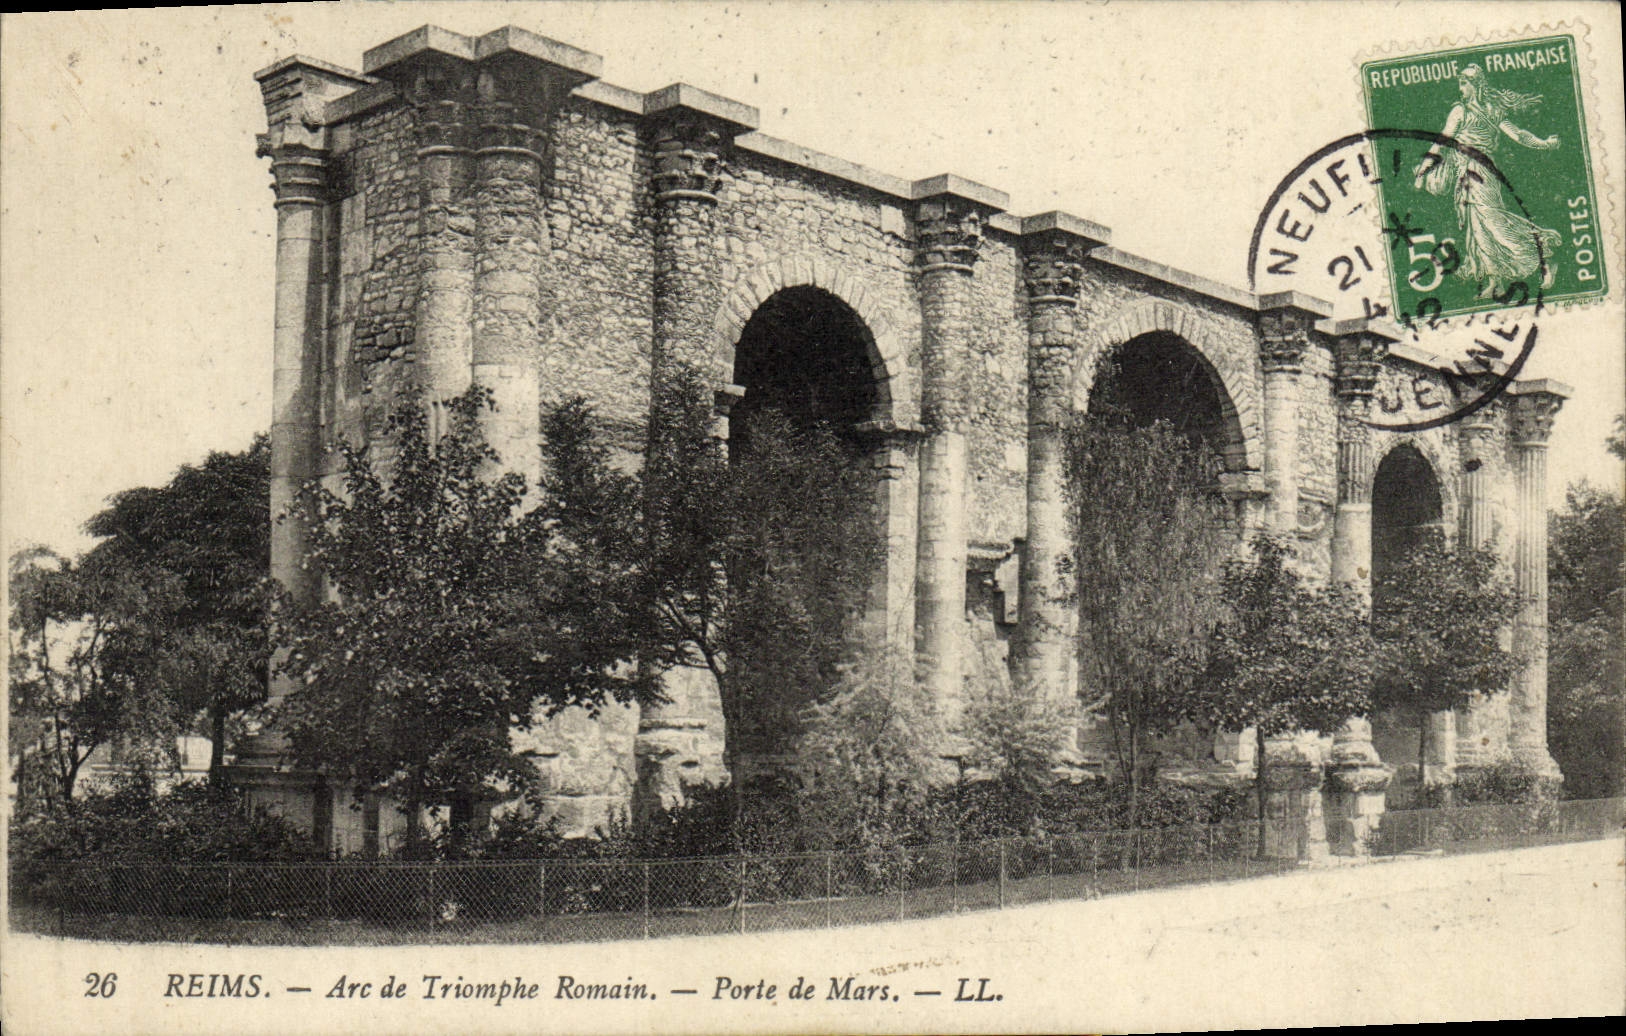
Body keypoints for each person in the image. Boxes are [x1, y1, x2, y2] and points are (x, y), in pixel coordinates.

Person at [1411, 64, 1562, 298]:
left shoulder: (1477, 111)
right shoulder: (1468, 111)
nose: (1461, 89)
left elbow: (1517, 134)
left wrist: (1544, 144)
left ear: (1476, 85)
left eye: (1465, 83)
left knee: (1493, 222)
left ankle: (1544, 259)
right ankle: (1495, 281)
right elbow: (1441, 142)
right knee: (1477, 228)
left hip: (1480, 171)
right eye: (1460, 83)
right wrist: (1424, 168)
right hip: (1466, 173)